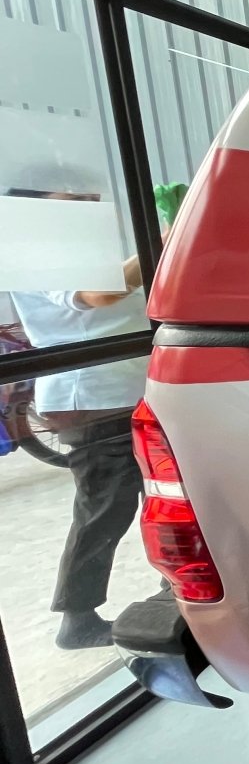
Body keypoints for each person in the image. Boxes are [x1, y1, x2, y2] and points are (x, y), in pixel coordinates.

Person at [5, 164, 150, 649]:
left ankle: (174, 589)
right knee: (105, 506)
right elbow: (97, 297)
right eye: (72, 200)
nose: (88, 207)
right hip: (92, 399)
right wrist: (159, 241)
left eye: (91, 199)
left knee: (157, 497)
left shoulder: (80, 253)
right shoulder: (38, 257)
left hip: (125, 392)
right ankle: (78, 618)